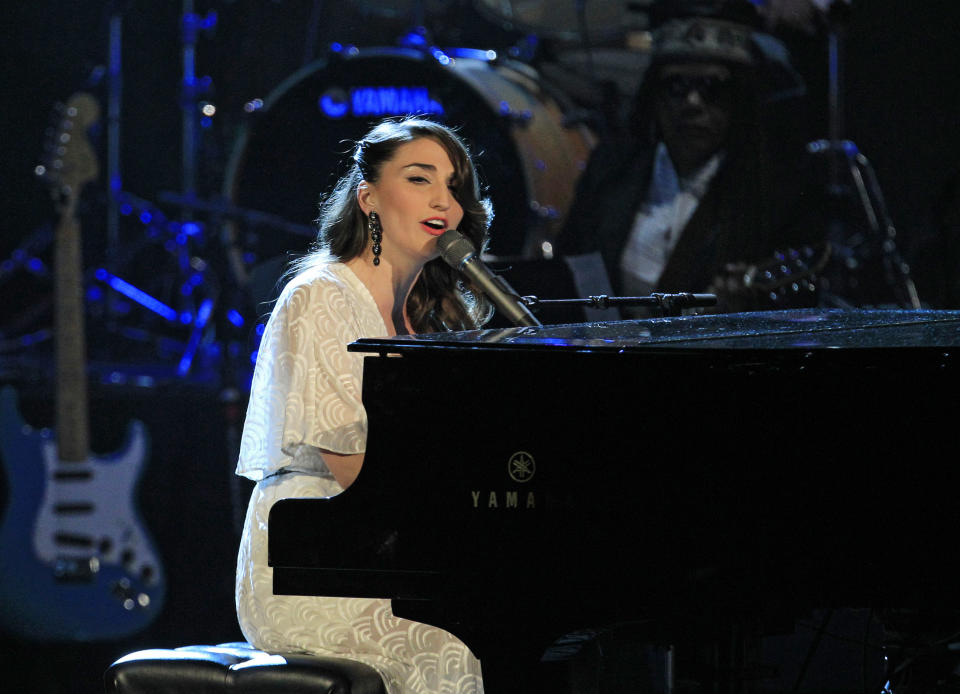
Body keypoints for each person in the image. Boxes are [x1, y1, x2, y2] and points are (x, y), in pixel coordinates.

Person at [233, 117, 493, 694]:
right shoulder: (321, 296)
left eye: (454, 187)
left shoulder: (432, 314)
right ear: (368, 197)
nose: (442, 201)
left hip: (404, 544)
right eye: (420, 179)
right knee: (457, 639)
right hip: (313, 562)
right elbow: (349, 462)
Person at [559, 0, 819, 315]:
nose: (692, 103)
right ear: (654, 96)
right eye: (676, 86)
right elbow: (568, 272)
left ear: (738, 100)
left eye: (712, 88)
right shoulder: (611, 169)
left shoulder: (772, 194)